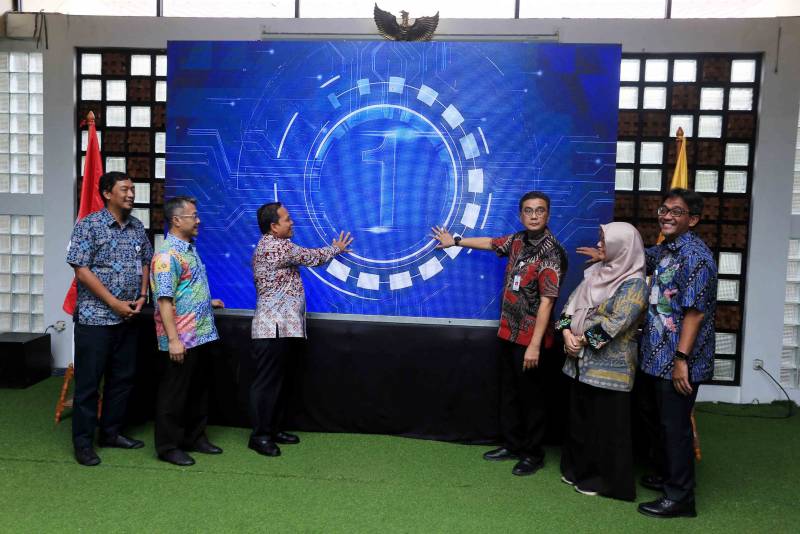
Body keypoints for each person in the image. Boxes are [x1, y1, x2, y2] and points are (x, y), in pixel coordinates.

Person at [432, 191, 567, 476]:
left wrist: (534, 345)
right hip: (508, 333)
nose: (533, 216)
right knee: (510, 394)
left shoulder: (552, 252)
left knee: (532, 399)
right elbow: (491, 243)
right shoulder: (518, 240)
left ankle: (533, 454)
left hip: (531, 339)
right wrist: (455, 240)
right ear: (521, 214)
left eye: (539, 210)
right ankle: (513, 444)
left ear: (548, 214)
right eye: (528, 210)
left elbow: (547, 302)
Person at [636, 189, 717, 518]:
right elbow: (641, 257)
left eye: (676, 212)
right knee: (658, 422)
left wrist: (681, 361)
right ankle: (666, 475)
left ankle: (681, 498)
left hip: (679, 359)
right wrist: (608, 253)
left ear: (692, 220)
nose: (666, 216)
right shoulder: (666, 249)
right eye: (664, 209)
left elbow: (695, 314)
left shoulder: (696, 257)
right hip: (655, 357)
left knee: (675, 428)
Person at [248, 202, 353, 457]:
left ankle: (274, 430)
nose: (292, 222)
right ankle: (260, 436)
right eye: (287, 219)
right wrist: (336, 248)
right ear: (274, 227)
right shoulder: (277, 246)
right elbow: (312, 257)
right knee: (267, 384)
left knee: (278, 382)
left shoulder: (274, 244)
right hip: (272, 329)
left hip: (282, 328)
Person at [65, 171, 153, 466]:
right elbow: (81, 270)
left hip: (128, 318)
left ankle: (111, 433)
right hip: (95, 319)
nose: (131, 194)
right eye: (124, 189)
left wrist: (142, 295)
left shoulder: (137, 226)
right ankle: (83, 443)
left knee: (123, 380)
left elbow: (146, 261)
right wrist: (114, 303)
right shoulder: (89, 225)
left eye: (132, 189)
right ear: (106, 193)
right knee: (89, 385)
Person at [555, 222, 648, 501]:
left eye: (604, 242)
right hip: (578, 364)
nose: (598, 246)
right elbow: (568, 307)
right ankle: (576, 470)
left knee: (605, 429)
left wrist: (580, 339)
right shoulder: (595, 273)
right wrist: (566, 334)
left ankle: (604, 481)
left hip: (610, 370)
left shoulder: (634, 284)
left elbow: (616, 322)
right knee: (580, 422)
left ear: (623, 247)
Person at [150, 196, 225, 466]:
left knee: (197, 389)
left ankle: (195, 437)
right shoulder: (166, 255)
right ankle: (168, 447)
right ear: (177, 220)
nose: (198, 221)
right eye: (193, 216)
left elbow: (185, 288)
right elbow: (164, 301)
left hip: (201, 334)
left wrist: (206, 302)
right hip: (181, 337)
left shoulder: (189, 249)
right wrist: (173, 340)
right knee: (175, 393)